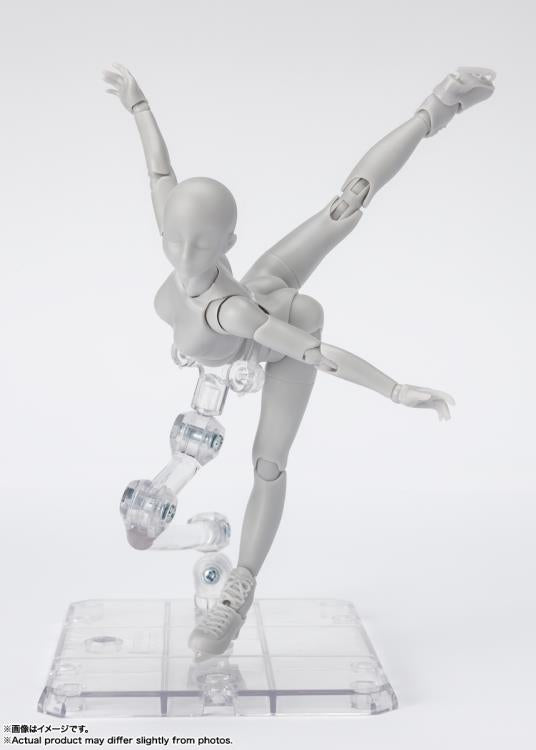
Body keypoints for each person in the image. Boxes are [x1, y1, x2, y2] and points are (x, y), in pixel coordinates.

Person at [103, 64, 495, 656]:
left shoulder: (231, 313)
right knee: (344, 205)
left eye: (202, 245)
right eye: (175, 239)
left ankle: (238, 590)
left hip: (280, 332)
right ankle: (440, 106)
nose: (183, 255)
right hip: (265, 285)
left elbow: (317, 354)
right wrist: (139, 106)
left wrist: (395, 390)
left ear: (227, 245)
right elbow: (160, 171)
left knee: (268, 463)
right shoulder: (179, 234)